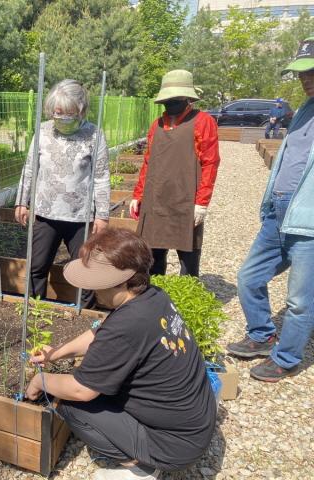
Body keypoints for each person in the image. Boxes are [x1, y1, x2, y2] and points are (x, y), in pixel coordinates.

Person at [25, 228, 216, 480]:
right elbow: (99, 333)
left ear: (123, 282)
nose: (92, 291)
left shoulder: (128, 325)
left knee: (71, 405)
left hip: (174, 445)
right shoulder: (152, 296)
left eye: (97, 283)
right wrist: (56, 354)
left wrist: (41, 380)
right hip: (194, 420)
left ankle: (142, 468)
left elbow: (82, 390)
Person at [227, 37, 314, 382]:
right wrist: (268, 202)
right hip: (279, 214)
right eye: (300, 73)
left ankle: (288, 356)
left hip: (308, 221)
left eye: (310, 72)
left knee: (299, 300)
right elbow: (287, 160)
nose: (304, 79)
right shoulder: (306, 108)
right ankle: (262, 336)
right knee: (248, 276)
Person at [15, 79, 110, 305]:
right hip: (45, 213)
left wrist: (102, 215)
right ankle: (35, 309)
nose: (62, 117)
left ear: (81, 110)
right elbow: (30, 168)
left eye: (68, 113)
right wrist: (21, 201)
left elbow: (101, 176)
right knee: (37, 267)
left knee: (85, 270)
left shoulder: (94, 135)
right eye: (58, 112)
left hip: (80, 216)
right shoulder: (43, 131)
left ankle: (82, 313)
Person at [129, 70, 220, 278]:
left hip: (185, 200)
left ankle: (186, 303)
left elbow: (210, 163)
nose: (171, 103)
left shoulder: (203, 122)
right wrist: (138, 194)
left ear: (187, 98)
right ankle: (155, 299)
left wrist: (202, 202)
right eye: (167, 99)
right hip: (156, 200)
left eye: (175, 99)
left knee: (188, 260)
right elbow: (148, 162)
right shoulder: (157, 125)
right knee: (153, 258)